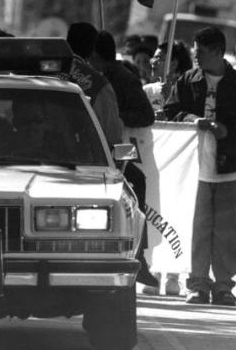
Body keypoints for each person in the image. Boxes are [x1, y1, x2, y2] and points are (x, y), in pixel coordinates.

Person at [164, 27, 236, 306]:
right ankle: (197, 283)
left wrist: (228, 130)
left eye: (201, 52)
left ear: (218, 52)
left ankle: (223, 286)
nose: (196, 56)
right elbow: (170, 112)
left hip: (230, 166)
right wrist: (193, 120)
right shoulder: (186, 81)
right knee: (196, 226)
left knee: (227, 230)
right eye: (195, 51)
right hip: (193, 167)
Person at [89, 31, 162, 292]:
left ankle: (138, 256)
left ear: (96, 56)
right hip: (85, 151)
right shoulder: (86, 77)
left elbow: (146, 115)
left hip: (115, 150)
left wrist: (115, 114)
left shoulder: (124, 79)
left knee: (135, 184)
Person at [144, 41, 193, 119]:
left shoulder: (187, 90)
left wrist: (169, 97)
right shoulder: (146, 90)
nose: (154, 62)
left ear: (174, 64)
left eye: (159, 58)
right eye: (154, 58)